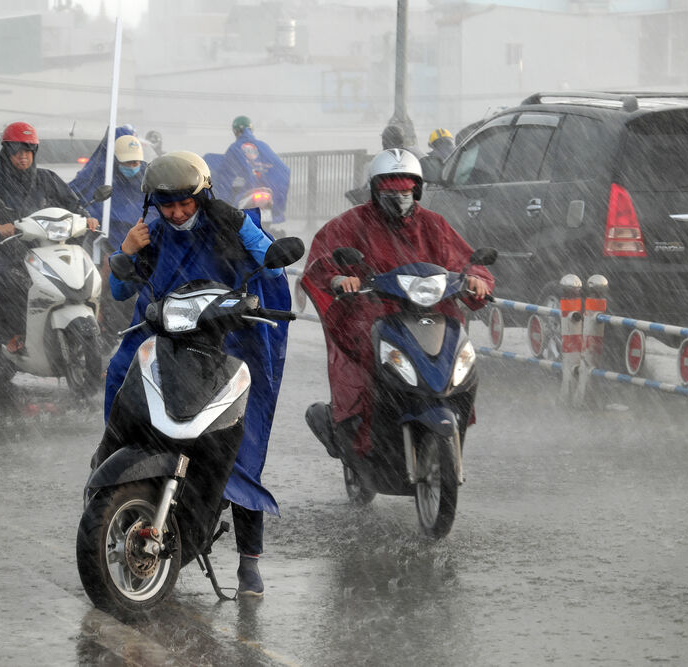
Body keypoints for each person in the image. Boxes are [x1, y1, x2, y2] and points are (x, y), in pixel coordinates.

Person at [94, 151, 292, 596]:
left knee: (244, 440)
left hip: (230, 341)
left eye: (187, 202)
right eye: (169, 204)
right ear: (154, 203)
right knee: (120, 372)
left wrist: (238, 222)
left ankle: (249, 559)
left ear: (203, 195)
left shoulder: (231, 227)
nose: (179, 212)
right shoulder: (151, 234)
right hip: (167, 335)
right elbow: (122, 288)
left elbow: (273, 266)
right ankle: (112, 475)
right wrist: (124, 252)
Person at [302, 148, 494, 457]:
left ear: (416, 190)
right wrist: (340, 280)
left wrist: (475, 278)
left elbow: (464, 259)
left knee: (460, 361)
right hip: (373, 313)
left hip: (432, 314)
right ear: (375, 190)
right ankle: (360, 436)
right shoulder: (352, 223)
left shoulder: (434, 225)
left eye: (405, 192)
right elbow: (324, 258)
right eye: (390, 193)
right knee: (368, 361)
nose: (398, 199)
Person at [0, 121, 97, 353]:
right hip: (11, 252)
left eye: (28, 151)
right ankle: (12, 334)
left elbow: (72, 204)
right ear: (6, 153)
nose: (23, 157)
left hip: (48, 248)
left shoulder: (48, 179)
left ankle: (99, 326)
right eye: (17, 151)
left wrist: (87, 218)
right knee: (5, 277)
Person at [80, 134, 153, 342]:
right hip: (113, 237)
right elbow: (91, 202)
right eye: (128, 162)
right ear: (117, 161)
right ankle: (101, 312)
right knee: (108, 268)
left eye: (136, 162)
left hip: (144, 235)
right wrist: (91, 217)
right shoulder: (106, 177)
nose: (133, 166)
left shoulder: (148, 177)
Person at [218, 115, 290, 223]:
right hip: (266, 191)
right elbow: (282, 169)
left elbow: (225, 173)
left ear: (235, 131)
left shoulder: (234, 148)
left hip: (246, 192)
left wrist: (223, 198)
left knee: (231, 214)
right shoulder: (263, 146)